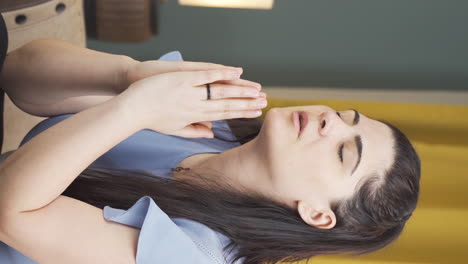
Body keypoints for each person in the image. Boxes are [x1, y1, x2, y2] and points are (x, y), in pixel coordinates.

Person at [0, 13, 421, 264]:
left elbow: (10, 212)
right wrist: (127, 76)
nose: (331, 122)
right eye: (346, 117)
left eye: (344, 151)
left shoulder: (194, 255)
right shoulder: (220, 124)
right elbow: (18, 72)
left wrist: (133, 109)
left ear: (317, 215)